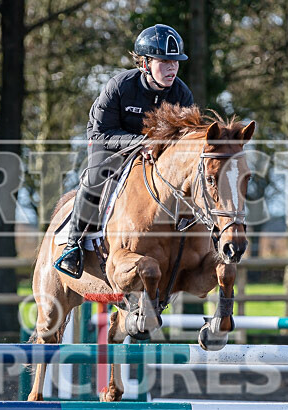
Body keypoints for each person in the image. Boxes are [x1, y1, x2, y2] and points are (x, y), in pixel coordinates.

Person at [54, 23, 195, 278]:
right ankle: (73, 246)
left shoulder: (182, 94)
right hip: (109, 142)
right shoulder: (119, 86)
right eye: (164, 61)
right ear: (146, 63)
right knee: (95, 177)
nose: (172, 67)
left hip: (156, 150)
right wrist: (140, 143)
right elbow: (101, 133)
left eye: (175, 62)